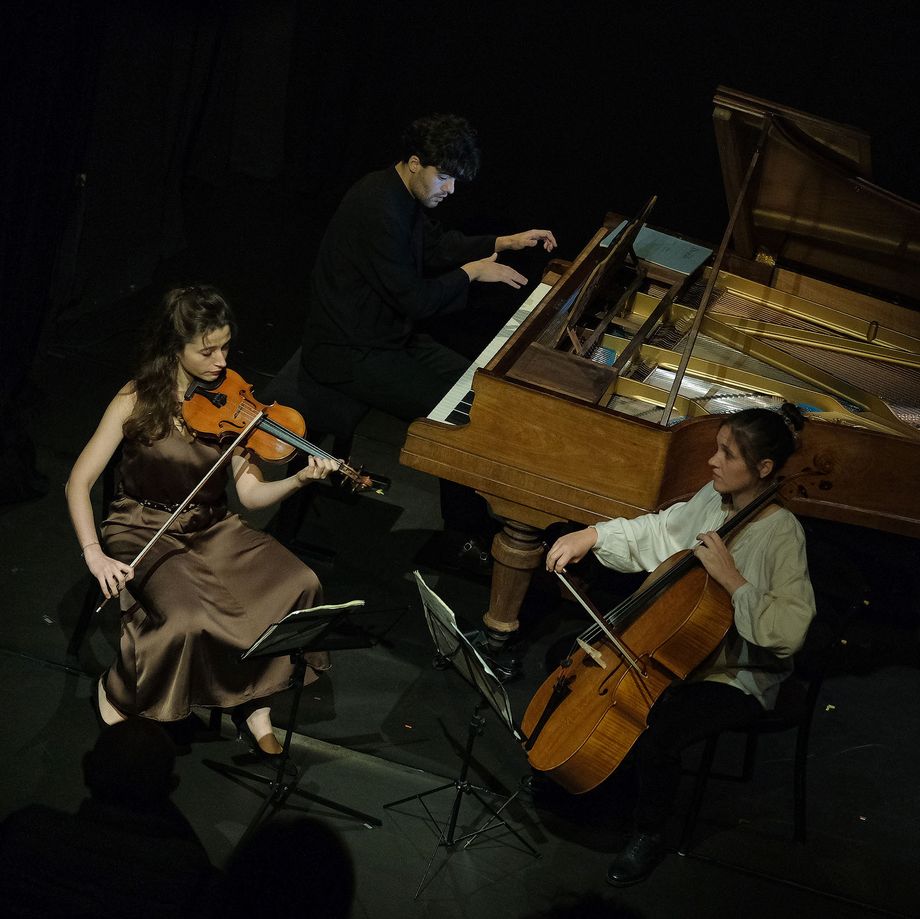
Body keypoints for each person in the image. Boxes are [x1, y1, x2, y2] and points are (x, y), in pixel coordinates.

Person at [545, 405, 816, 887]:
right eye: (717, 448)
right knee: (567, 658)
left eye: (726, 454)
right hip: (670, 646)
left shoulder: (782, 534)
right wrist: (593, 534)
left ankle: (647, 830)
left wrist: (732, 579)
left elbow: (789, 631)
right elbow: (660, 531)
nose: (712, 461)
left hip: (733, 671)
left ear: (764, 469)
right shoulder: (714, 500)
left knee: (659, 725)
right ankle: (573, 779)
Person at [66, 285, 340, 757]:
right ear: (177, 348)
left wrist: (299, 481)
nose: (221, 361)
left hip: (212, 526)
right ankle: (118, 691)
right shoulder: (135, 398)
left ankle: (256, 699)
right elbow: (78, 482)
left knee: (300, 582)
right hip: (141, 526)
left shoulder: (236, 404)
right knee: (188, 618)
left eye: (226, 347)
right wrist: (94, 553)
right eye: (207, 350)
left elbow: (251, 496)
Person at [301, 113, 556, 567]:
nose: (450, 190)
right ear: (415, 163)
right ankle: (461, 536)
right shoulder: (378, 204)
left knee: (480, 395)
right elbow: (416, 299)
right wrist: (473, 272)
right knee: (456, 420)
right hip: (347, 351)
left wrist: (505, 240)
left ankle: (476, 523)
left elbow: (434, 248)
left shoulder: (400, 196)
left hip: (388, 338)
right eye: (445, 177)